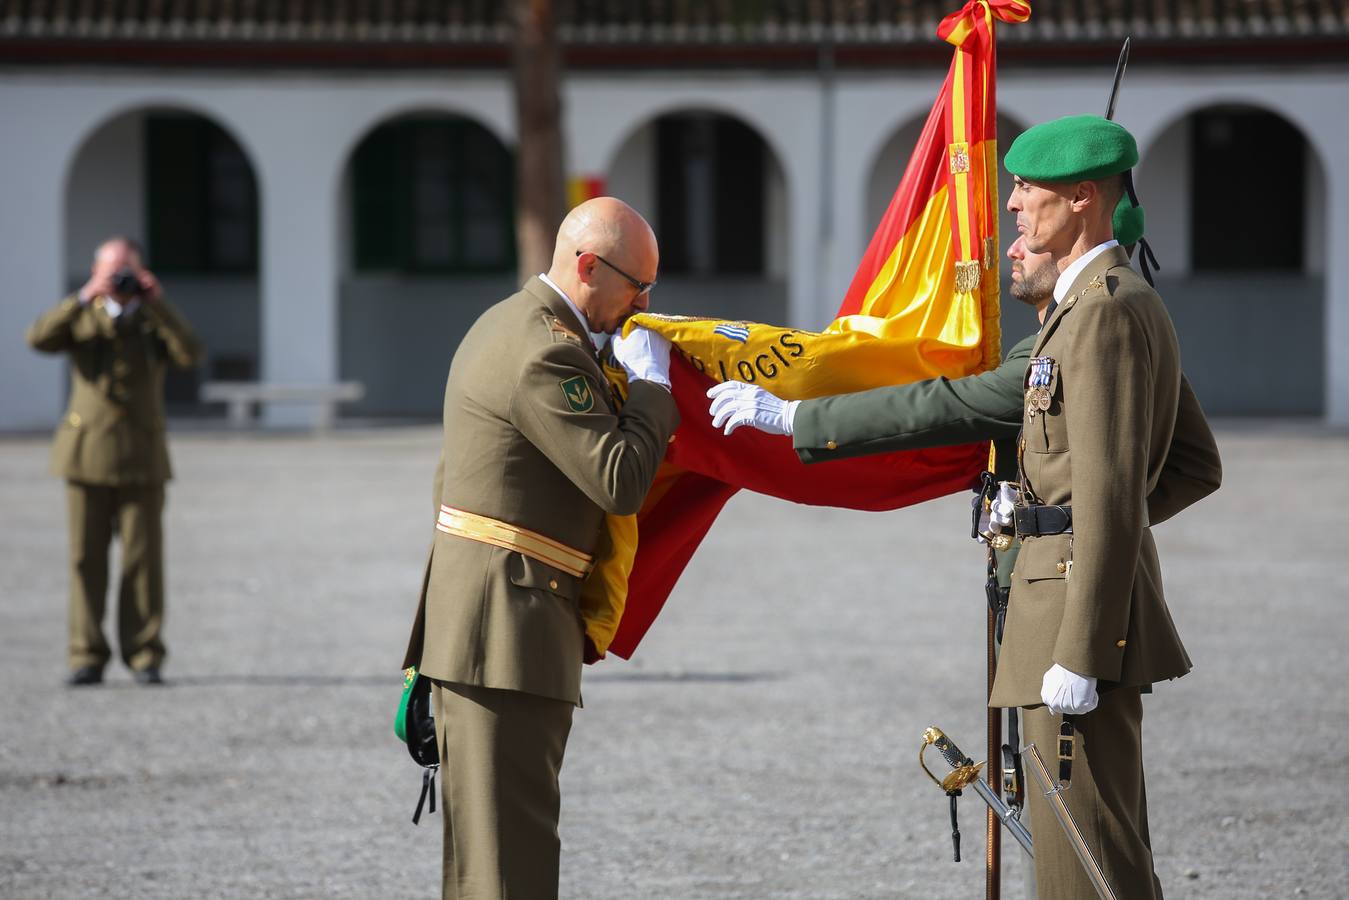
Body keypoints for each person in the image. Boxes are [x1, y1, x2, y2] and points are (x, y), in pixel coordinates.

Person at [705, 117, 1221, 895]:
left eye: (1026, 190)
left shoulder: (1107, 312)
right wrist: (1062, 534)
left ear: (1082, 199)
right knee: (1078, 848)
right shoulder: (1096, 308)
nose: (1012, 205)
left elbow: (1115, 492)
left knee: (1086, 863)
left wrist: (1083, 632)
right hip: (1062, 601)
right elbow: (1187, 467)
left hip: (1070, 627)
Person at [401, 197, 679, 900]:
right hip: (508, 633)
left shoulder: (507, 322)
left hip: (484, 624)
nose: (644, 301)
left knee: (485, 858)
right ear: (587, 267)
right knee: (509, 863)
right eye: (636, 284)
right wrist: (651, 388)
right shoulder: (548, 349)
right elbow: (618, 479)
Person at [26, 237, 203, 687]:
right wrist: (86, 294)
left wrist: (157, 303)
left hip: (142, 457)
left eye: (128, 271)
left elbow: (190, 353)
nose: (121, 280)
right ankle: (86, 654)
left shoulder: (151, 320)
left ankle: (145, 654)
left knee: (143, 563)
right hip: (86, 456)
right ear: (95, 270)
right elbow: (39, 338)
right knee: (85, 560)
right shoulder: (82, 314)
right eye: (113, 270)